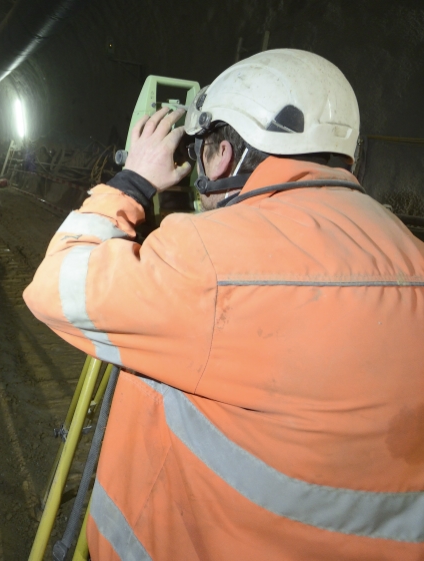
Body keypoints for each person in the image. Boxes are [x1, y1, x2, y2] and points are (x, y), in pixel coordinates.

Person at [24, 49, 424, 560]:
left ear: (222, 155)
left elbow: (54, 284)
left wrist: (135, 183)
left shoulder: (210, 265)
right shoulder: (409, 255)